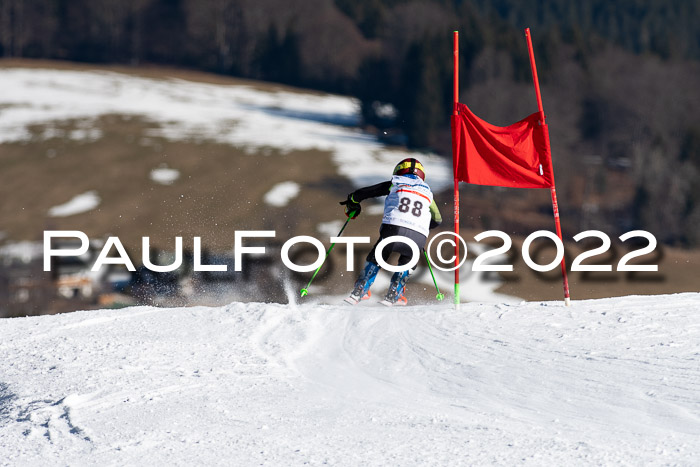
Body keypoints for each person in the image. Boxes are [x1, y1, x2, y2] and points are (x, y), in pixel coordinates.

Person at [340, 158, 442, 306]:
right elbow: (438, 220)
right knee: (408, 258)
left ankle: (360, 289)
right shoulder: (428, 193)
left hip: (393, 229)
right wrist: (422, 226)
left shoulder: (396, 182)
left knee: (378, 254)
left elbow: (364, 193)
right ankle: (395, 293)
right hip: (418, 236)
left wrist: (353, 201)